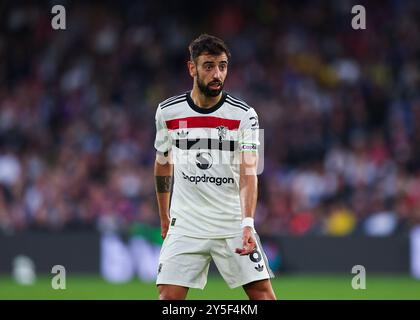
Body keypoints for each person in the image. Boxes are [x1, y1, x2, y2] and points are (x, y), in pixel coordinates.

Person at [153, 34, 276, 300]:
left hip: (231, 222)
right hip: (186, 223)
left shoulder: (244, 115)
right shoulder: (167, 112)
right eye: (208, 66)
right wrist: (164, 215)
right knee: (168, 298)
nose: (217, 73)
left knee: (263, 296)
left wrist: (247, 223)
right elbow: (163, 163)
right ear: (192, 68)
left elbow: (249, 171)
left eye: (222, 66)